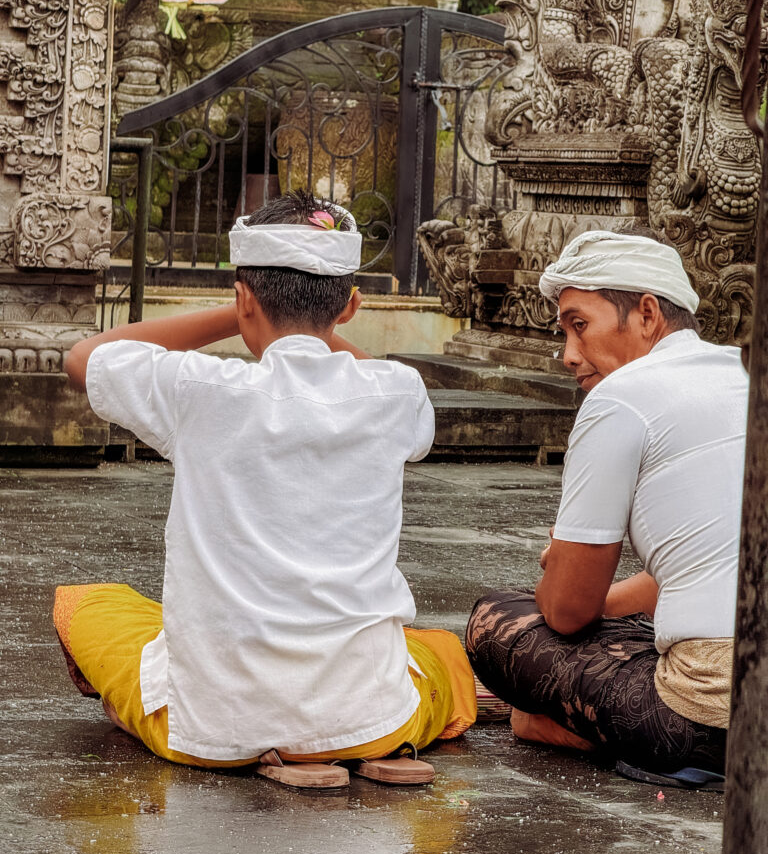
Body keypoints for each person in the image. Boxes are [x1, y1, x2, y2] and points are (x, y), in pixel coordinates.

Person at [54, 190, 476, 789]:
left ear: (244, 296)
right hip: (368, 717)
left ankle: (266, 746)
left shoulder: (201, 388)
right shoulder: (396, 392)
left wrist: (238, 314)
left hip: (211, 730)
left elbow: (85, 357)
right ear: (351, 305)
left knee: (88, 607)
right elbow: (385, 389)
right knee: (441, 654)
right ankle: (357, 746)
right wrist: (302, 315)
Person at [465, 228, 747, 787]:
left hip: (710, 723)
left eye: (579, 325)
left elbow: (568, 612)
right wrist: (611, 607)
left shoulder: (620, 397)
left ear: (646, 315)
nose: (569, 355)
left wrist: (556, 571)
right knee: (630, 630)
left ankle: (563, 728)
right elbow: (709, 564)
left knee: (496, 621)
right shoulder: (744, 374)